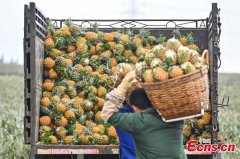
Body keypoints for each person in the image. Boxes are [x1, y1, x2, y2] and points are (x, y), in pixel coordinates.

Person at [102, 71, 187, 159]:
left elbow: (108, 113)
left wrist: (123, 86)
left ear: (134, 107)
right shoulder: (175, 118)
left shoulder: (138, 121)